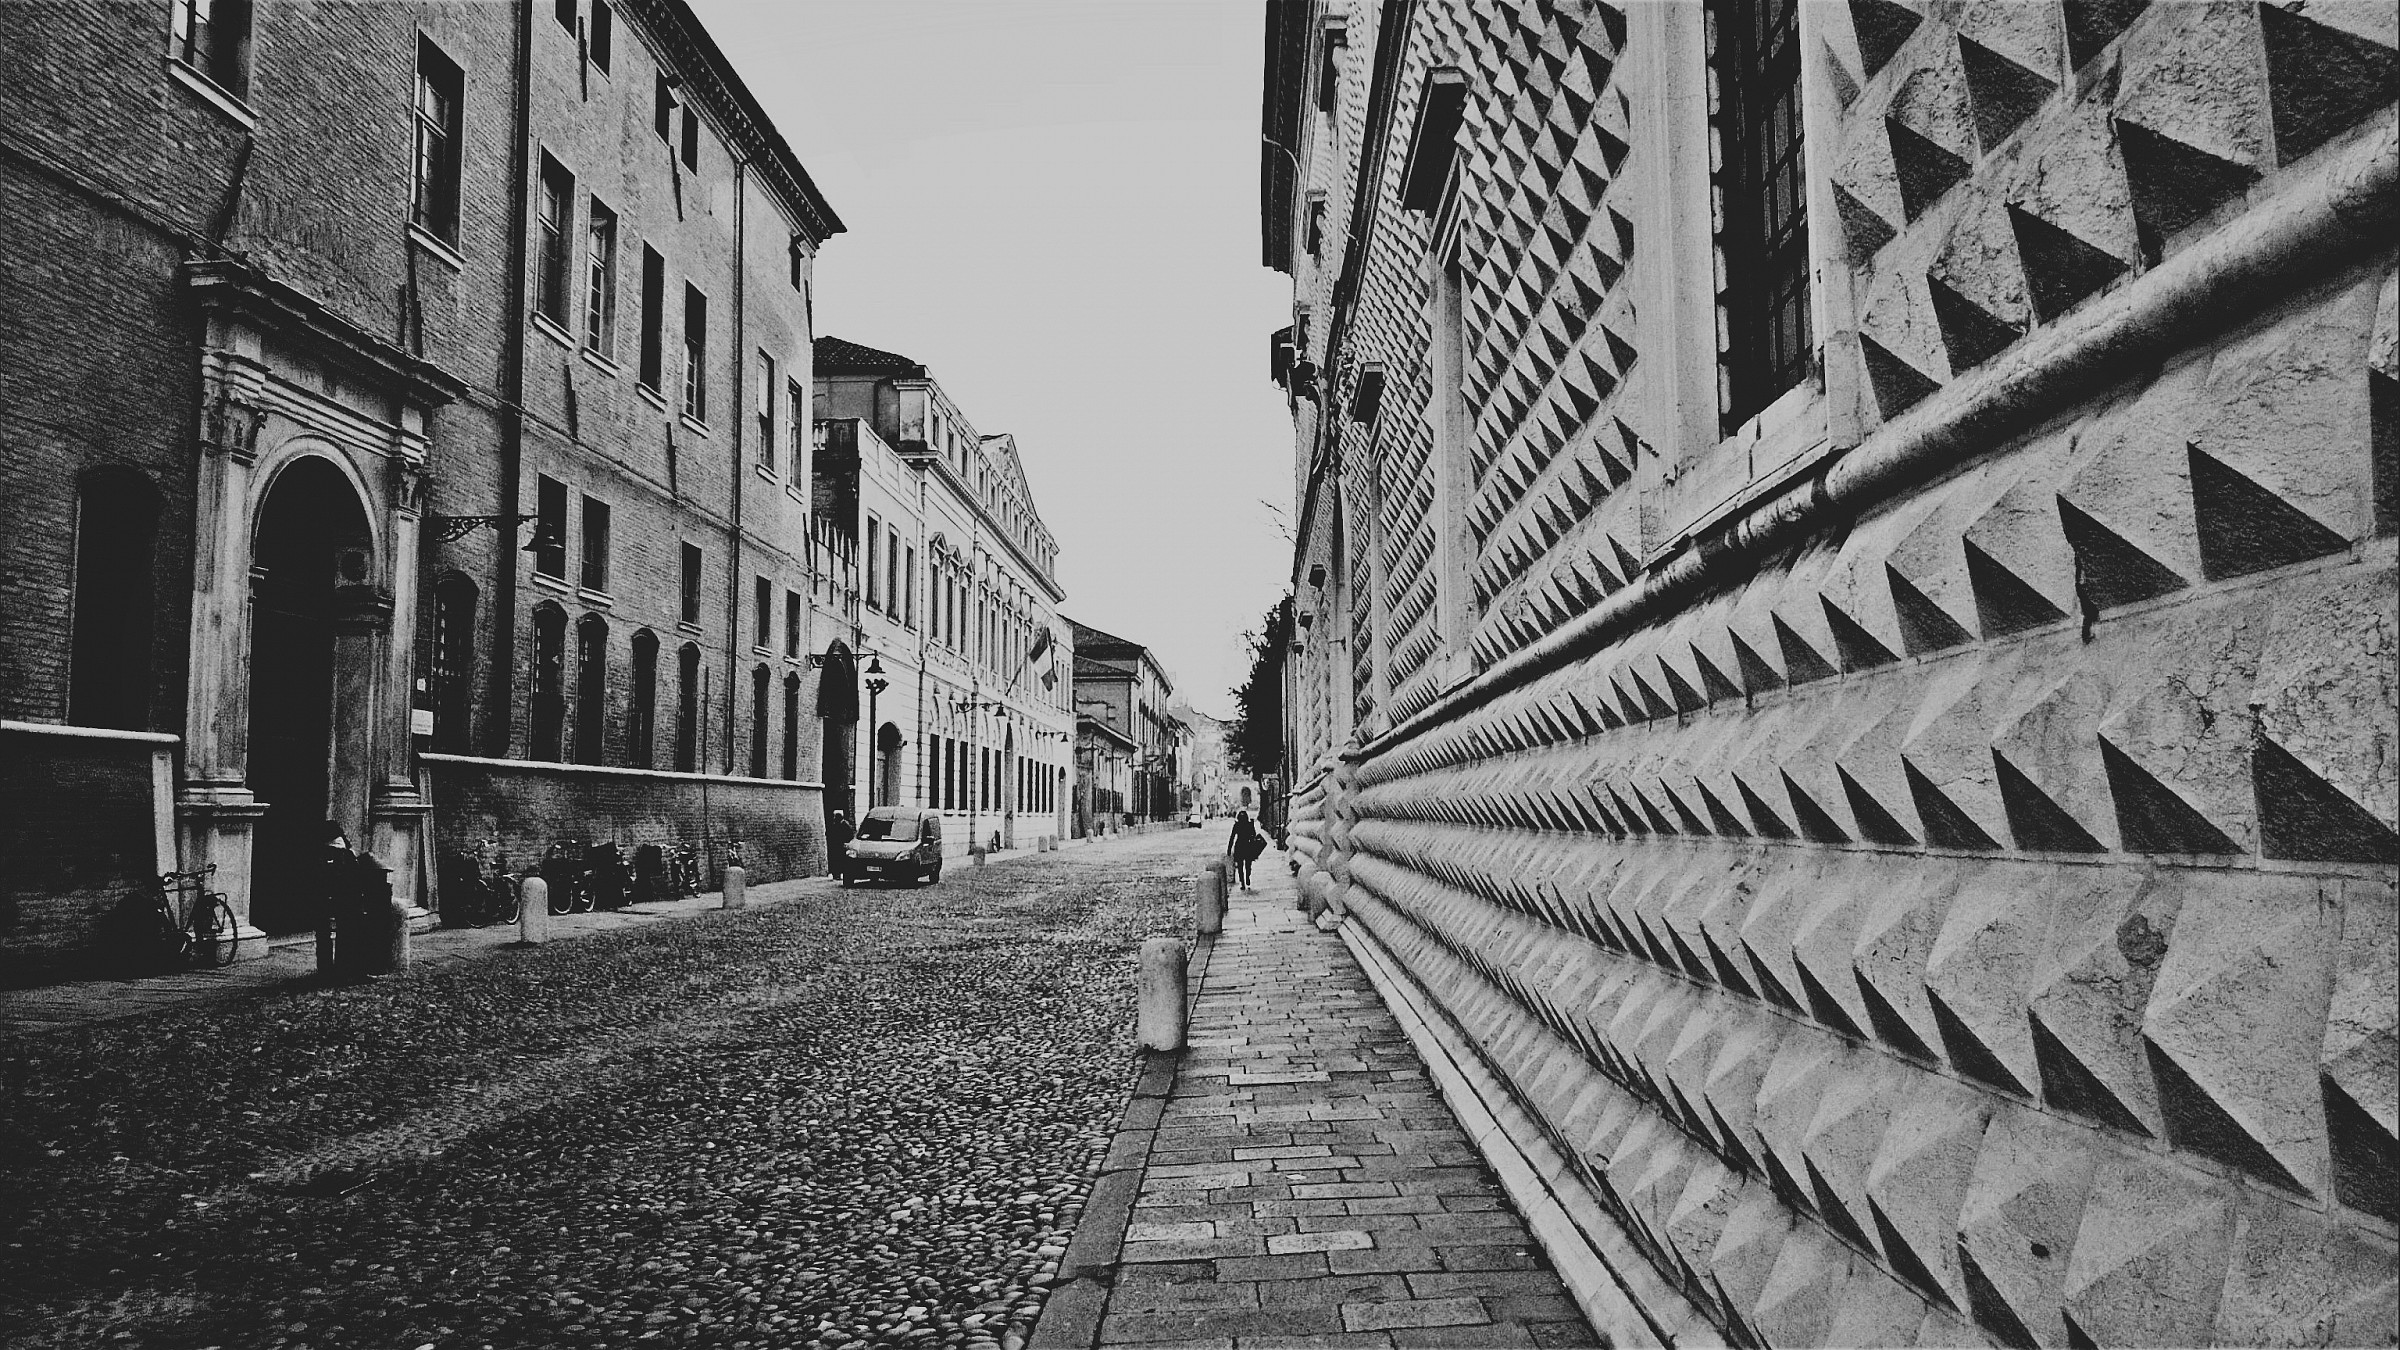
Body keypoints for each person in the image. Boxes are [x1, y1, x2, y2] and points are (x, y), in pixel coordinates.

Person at [1227, 810, 1265, 891]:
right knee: (1248, 865)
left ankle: (1242, 883)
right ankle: (1247, 877)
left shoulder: (1237, 825)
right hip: (1248, 846)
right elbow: (1254, 834)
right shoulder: (1249, 824)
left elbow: (1232, 837)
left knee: (1240, 866)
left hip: (1239, 846)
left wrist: (1229, 849)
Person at [827, 810, 854, 886]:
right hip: (837, 846)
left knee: (840, 860)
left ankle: (838, 874)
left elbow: (849, 835)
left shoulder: (845, 825)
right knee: (836, 860)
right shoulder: (837, 824)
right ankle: (836, 874)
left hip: (841, 846)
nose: (834, 818)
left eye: (835, 817)